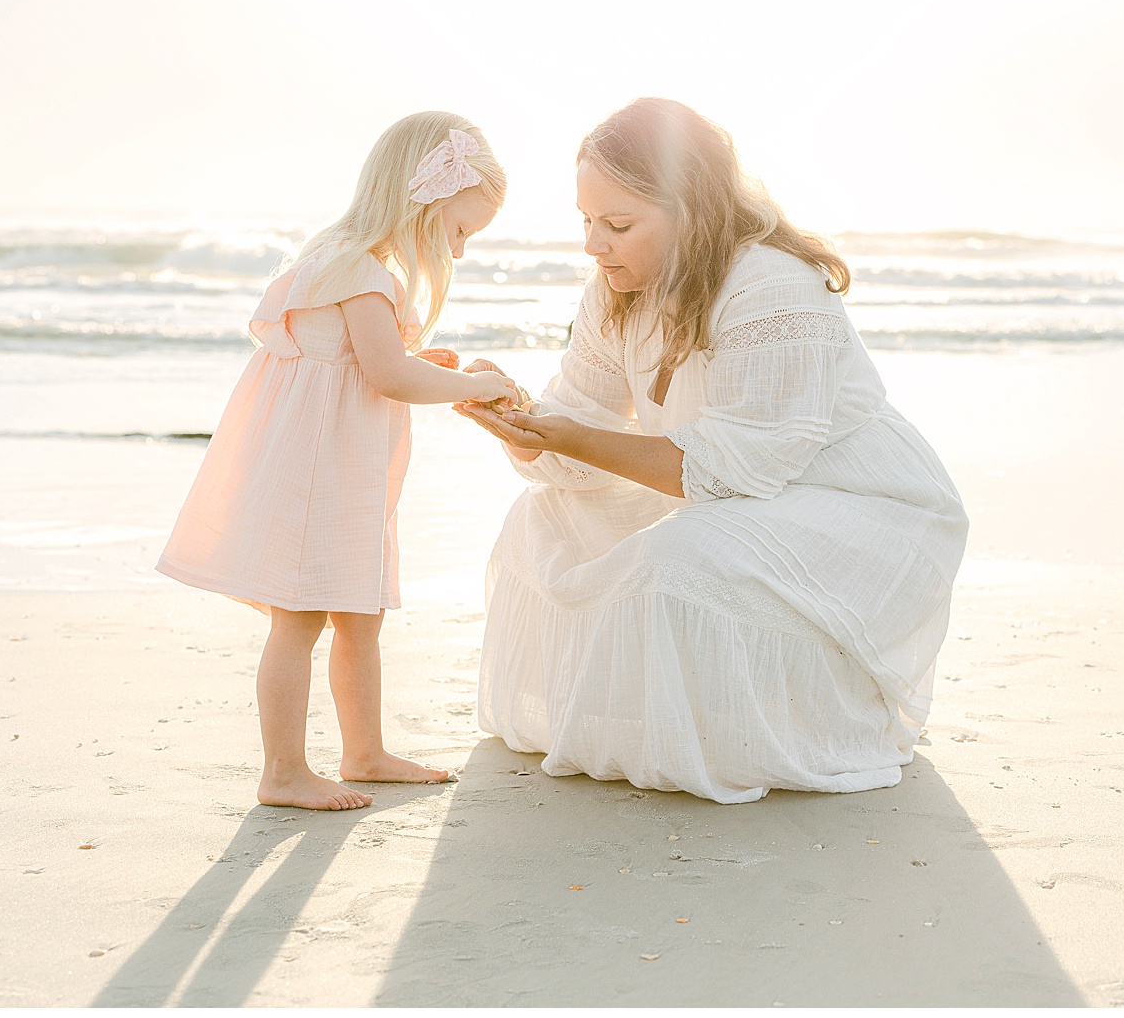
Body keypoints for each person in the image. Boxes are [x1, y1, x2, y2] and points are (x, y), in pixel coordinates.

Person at [458, 97, 968, 804]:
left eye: (618, 224)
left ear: (691, 208)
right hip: (739, 489)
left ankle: (747, 726)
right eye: (586, 221)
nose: (593, 245)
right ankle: (633, 720)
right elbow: (579, 424)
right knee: (541, 520)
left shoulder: (773, 284)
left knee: (675, 557)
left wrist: (572, 433)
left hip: (855, 507)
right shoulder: (615, 291)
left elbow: (737, 467)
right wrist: (518, 415)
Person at [157, 112, 519, 811]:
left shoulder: (349, 259)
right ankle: (284, 771)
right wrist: (475, 384)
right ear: (424, 200)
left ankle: (363, 750)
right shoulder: (358, 267)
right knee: (299, 616)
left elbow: (371, 360)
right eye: (460, 231)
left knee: (359, 614)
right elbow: (387, 376)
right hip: (318, 469)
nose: (462, 251)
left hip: (341, 464)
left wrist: (424, 364)